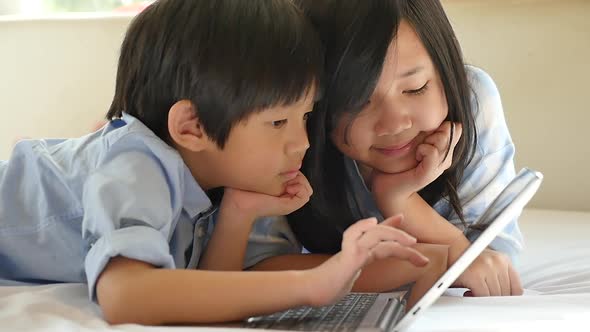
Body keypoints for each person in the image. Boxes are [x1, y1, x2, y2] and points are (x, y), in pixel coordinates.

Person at [0, 0, 427, 325]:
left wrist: (239, 213)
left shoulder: (200, 182)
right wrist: (313, 285)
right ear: (192, 126)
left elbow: (207, 296)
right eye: (278, 121)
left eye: (305, 117)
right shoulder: (137, 164)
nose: (301, 143)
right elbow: (124, 295)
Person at [248, 0, 524, 299]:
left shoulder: (474, 101)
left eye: (415, 87)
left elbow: (492, 261)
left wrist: (400, 200)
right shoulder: (288, 128)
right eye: (357, 101)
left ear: (446, 69)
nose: (393, 124)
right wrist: (440, 256)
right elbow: (258, 268)